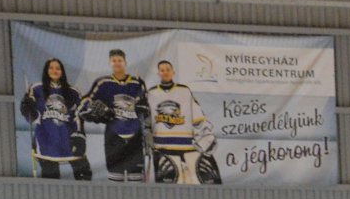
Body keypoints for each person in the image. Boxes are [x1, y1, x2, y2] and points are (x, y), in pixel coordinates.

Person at [81, 49, 148, 182]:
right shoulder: (103, 83)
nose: (117, 63)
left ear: (125, 62)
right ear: (110, 63)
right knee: (115, 176)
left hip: (135, 136)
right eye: (114, 61)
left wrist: (143, 108)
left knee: (136, 177)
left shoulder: (137, 83)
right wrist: (92, 109)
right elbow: (85, 102)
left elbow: (146, 108)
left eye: (120, 60)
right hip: (113, 136)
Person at [148, 59, 217, 185]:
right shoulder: (151, 93)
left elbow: (198, 117)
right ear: (158, 73)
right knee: (169, 189)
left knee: (194, 184)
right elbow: (147, 121)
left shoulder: (184, 91)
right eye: (162, 70)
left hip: (186, 148)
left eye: (168, 70)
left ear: (173, 72)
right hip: (162, 149)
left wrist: (206, 137)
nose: (165, 72)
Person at [20, 57, 91, 180]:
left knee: (84, 174)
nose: (55, 70)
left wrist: (80, 135)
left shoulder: (73, 92)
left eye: (58, 68)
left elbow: (80, 115)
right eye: (51, 68)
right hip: (46, 139)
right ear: (46, 70)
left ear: (62, 71)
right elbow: (32, 117)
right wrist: (27, 108)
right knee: (50, 179)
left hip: (69, 138)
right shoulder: (36, 88)